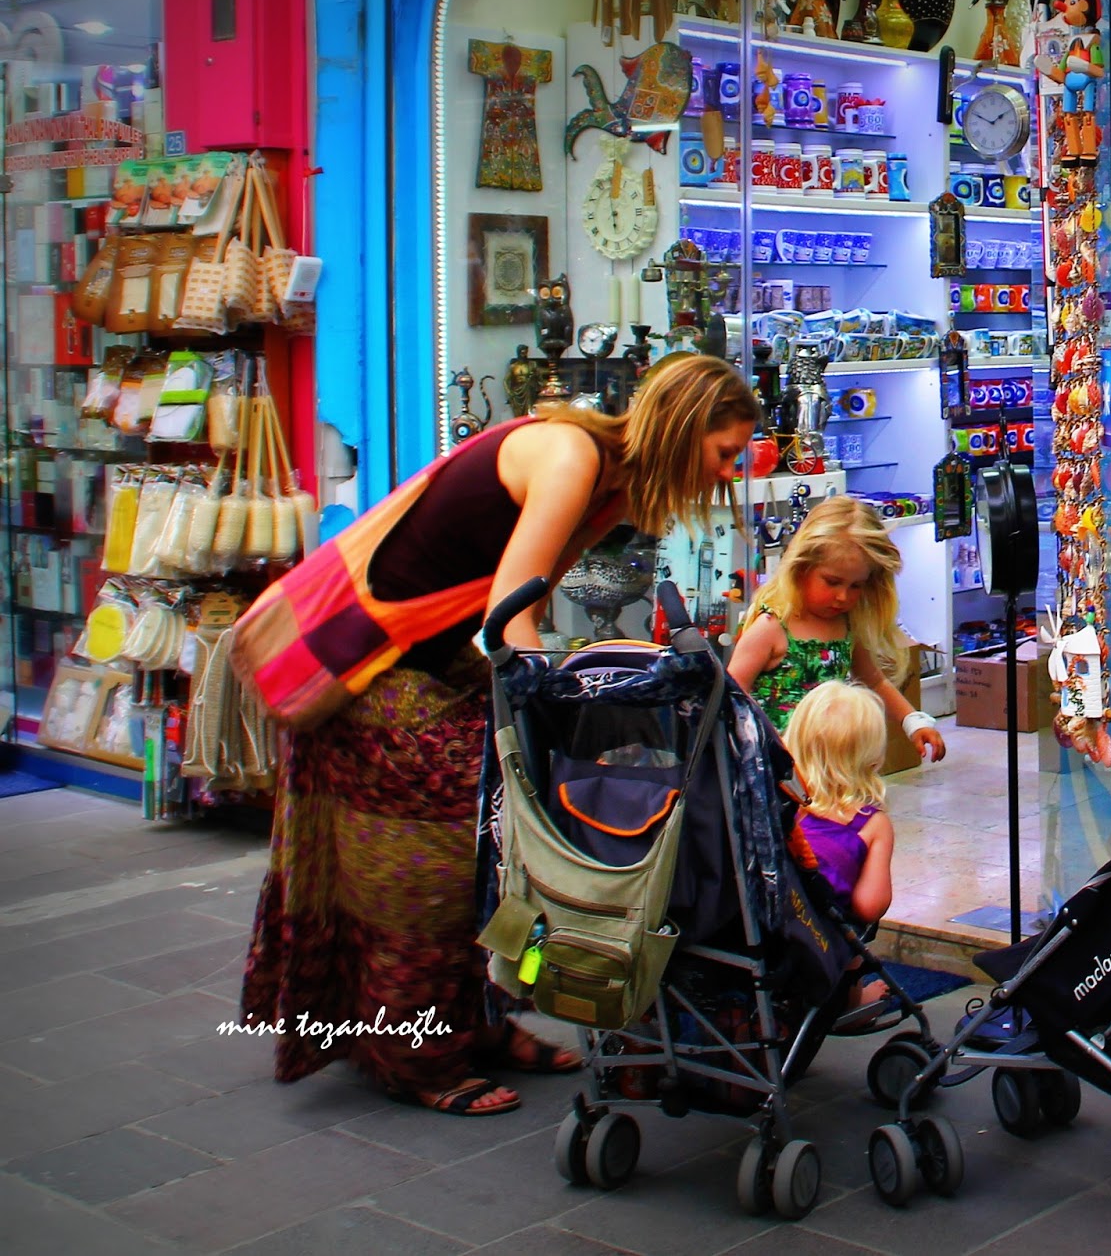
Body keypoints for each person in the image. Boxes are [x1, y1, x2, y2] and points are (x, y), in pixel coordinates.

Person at [241, 354, 760, 1116]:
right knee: (445, 848)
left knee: (496, 833)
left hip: (421, 655)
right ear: (684, 431)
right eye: (724, 453)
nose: (728, 472)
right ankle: (418, 1052)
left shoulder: (611, 488)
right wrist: (554, 688)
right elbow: (511, 609)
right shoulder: (572, 456)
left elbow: (538, 597)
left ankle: (476, 1024)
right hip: (376, 665)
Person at [727, 496, 947, 763]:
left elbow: (874, 680)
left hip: (834, 762)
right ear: (801, 568)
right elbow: (734, 694)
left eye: (856, 586)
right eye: (832, 582)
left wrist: (913, 720)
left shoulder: (846, 626)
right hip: (781, 768)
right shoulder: (771, 627)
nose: (843, 597)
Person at [782, 680, 896, 1008]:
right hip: (818, 942)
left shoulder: (780, 804)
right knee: (854, 923)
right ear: (871, 756)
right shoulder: (871, 824)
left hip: (762, 930)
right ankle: (850, 999)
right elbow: (869, 906)